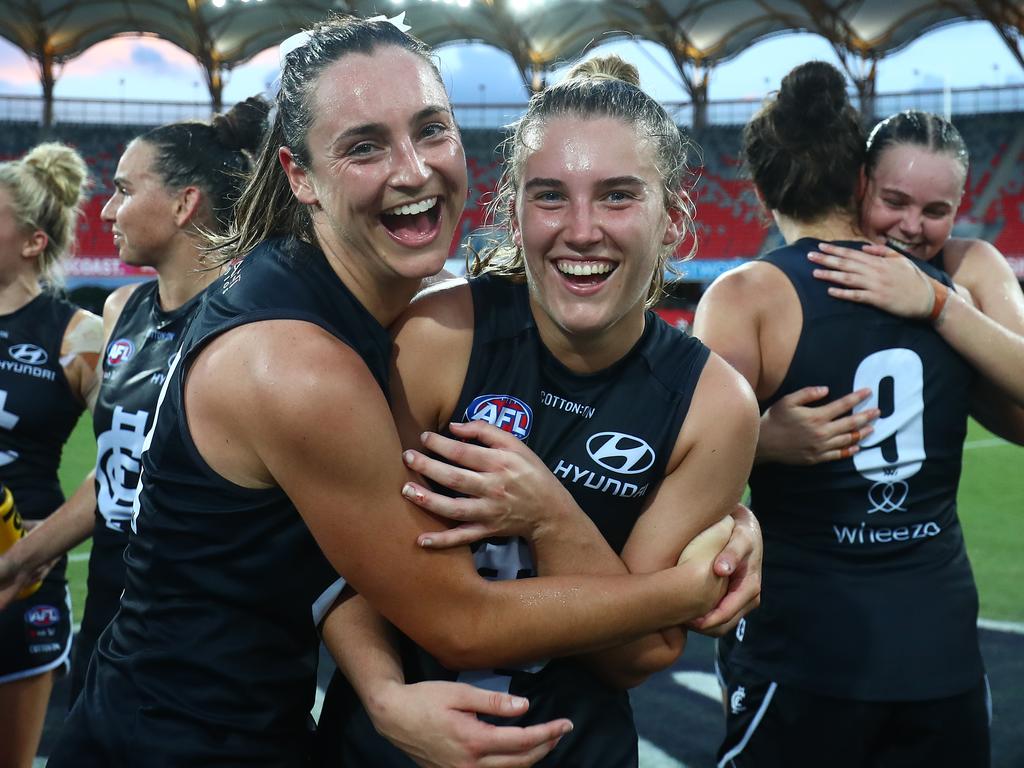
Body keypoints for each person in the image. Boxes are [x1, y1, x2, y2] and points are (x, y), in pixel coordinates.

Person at [47, 16, 751, 767]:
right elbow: (457, 619)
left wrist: (565, 523)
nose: (412, 171)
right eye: (364, 146)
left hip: (238, 718)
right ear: (299, 176)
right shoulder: (309, 360)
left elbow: (349, 559)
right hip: (185, 737)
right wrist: (692, 589)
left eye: (431, 130)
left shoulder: (363, 311)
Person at [315, 54, 761, 768]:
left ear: (674, 218)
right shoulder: (439, 338)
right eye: (550, 197)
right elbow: (342, 557)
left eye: (618, 196)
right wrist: (384, 696)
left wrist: (548, 515)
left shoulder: (715, 405)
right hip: (386, 749)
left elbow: (638, 654)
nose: (581, 231)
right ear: (515, 216)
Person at [695, 62, 993, 767]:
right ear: (860, 181)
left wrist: (760, 445)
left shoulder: (746, 297)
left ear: (763, 188)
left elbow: (686, 469)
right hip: (941, 650)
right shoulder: (947, 294)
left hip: (805, 647)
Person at [0, 97, 270, 710]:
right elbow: (117, 476)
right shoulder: (122, 312)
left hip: (208, 656)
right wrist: (20, 561)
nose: (107, 208)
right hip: (110, 623)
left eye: (124, 189)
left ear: (183, 204)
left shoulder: (251, 330)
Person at [756, 109, 1024, 465]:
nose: (912, 226)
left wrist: (940, 304)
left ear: (958, 206)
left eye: (936, 212)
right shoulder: (802, 273)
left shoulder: (970, 264)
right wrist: (760, 442)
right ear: (861, 186)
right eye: (894, 202)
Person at [0, 142, 102, 768]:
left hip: (22, 583)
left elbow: (136, 455)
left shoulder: (78, 335)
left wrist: (41, 543)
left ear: (33, 241)